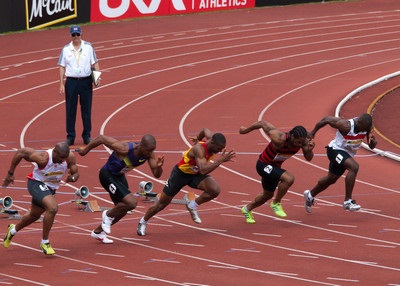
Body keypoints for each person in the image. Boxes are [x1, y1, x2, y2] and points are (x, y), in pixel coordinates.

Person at [137, 128, 236, 236]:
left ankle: (192, 204)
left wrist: (198, 138)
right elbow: (203, 170)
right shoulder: (199, 149)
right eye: (219, 149)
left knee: (215, 190)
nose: (220, 151)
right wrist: (220, 160)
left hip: (195, 174)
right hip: (180, 174)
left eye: (221, 149)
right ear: (212, 143)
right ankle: (143, 221)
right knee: (161, 204)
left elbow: (204, 130)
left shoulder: (211, 138)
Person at [76, 134, 164, 243]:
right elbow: (101, 138)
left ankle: (98, 232)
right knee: (131, 203)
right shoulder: (124, 148)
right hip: (107, 175)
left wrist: (159, 167)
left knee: (123, 209)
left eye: (152, 150)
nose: (149, 153)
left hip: (118, 176)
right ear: (141, 145)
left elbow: (157, 174)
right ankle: (107, 215)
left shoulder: (149, 154)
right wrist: (85, 150)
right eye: (148, 150)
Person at [3, 142, 79, 255]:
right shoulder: (43, 158)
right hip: (36, 183)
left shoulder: (69, 157)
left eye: (65, 158)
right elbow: (21, 152)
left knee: (34, 215)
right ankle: (45, 242)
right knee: (52, 208)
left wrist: (73, 177)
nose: (63, 161)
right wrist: (10, 173)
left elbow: (75, 173)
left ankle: (13, 230)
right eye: (61, 158)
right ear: (55, 152)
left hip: (50, 188)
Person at [239, 121, 314, 223]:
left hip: (274, 168)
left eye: (302, 142)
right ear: (292, 136)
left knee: (267, 195)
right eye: (298, 142)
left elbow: (309, 158)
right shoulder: (279, 138)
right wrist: (245, 130)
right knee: (289, 179)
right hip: (263, 165)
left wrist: (309, 150)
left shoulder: (304, 142)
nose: (300, 145)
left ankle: (247, 209)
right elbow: (262, 123)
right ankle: (276, 203)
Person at [304, 113, 377, 213]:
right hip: (335, 150)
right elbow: (326, 119)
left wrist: (372, 140)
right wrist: (313, 132)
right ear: (358, 122)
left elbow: (372, 146)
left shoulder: (367, 127)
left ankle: (310, 195)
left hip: (347, 155)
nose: (362, 131)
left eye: (365, 129)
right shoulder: (345, 125)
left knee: (331, 179)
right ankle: (348, 201)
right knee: (354, 167)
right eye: (362, 128)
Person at [58, 25, 101, 146]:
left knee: (86, 110)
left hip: (86, 81)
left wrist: (97, 78)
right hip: (71, 82)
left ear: (81, 34)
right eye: (73, 35)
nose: (76, 37)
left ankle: (87, 136)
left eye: (78, 34)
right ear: (70, 36)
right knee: (70, 110)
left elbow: (95, 63)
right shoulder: (66, 49)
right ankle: (70, 137)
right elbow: (61, 66)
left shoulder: (88, 47)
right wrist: (61, 83)